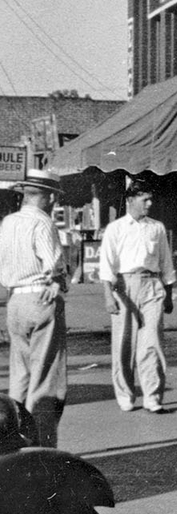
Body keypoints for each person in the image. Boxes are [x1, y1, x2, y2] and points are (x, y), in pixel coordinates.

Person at [0, 172, 69, 446]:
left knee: (20, 375)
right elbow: (53, 262)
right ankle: (43, 448)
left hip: (14, 301)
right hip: (40, 297)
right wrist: (58, 282)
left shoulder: (8, 222)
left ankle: (12, 440)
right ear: (50, 197)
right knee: (46, 380)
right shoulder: (43, 222)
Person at [99, 177, 177, 414]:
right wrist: (108, 296)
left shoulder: (157, 227)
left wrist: (169, 294)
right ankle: (125, 394)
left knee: (151, 342)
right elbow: (106, 264)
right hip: (124, 287)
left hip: (152, 286)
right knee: (124, 344)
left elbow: (166, 262)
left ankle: (152, 397)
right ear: (131, 200)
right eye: (145, 199)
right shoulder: (116, 228)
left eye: (151, 199)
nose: (149, 204)